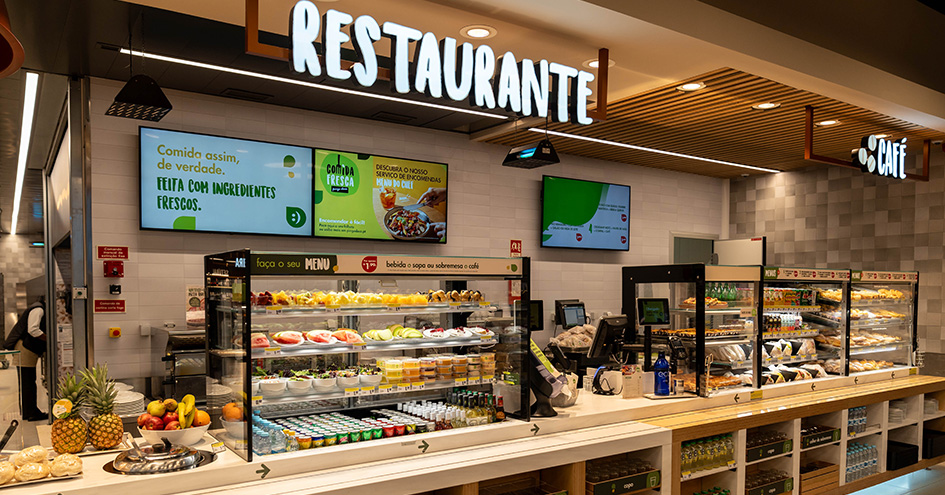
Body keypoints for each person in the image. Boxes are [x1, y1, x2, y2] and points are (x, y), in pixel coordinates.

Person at [3, 296, 47, 421]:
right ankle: (31, 413)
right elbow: (33, 330)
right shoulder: (38, 309)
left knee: (27, 382)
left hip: (26, 348)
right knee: (27, 382)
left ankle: (29, 411)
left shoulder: (38, 307)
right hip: (25, 349)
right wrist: (49, 338)